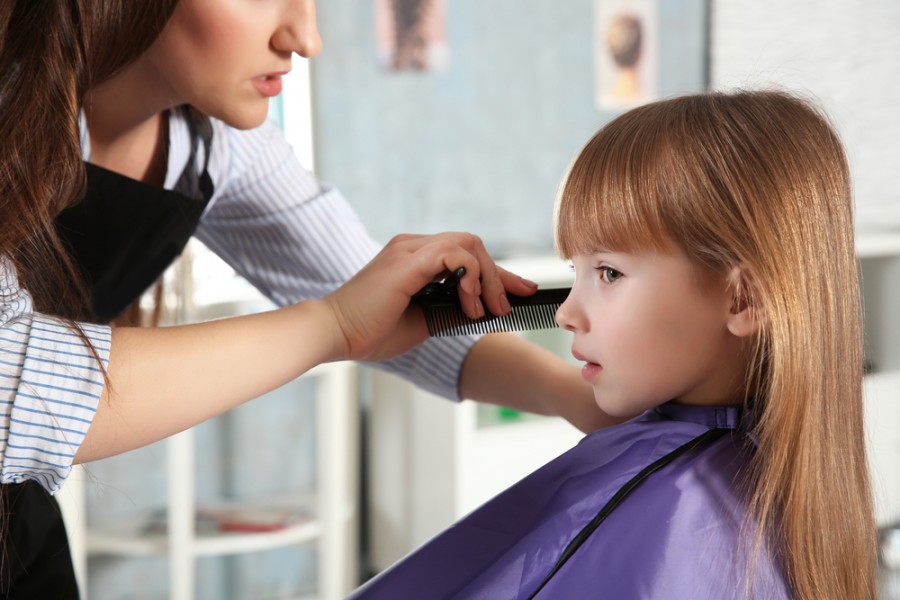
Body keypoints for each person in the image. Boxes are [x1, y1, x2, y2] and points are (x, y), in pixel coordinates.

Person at [0, 1, 614, 597]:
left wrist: (576, 396)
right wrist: (333, 324)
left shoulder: (218, 146)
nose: (305, 37)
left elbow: (390, 311)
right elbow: (14, 383)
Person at [346, 90, 878, 599]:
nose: (565, 312)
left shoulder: (682, 517)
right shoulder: (784, 488)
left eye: (607, 272)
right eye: (573, 272)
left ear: (741, 299)